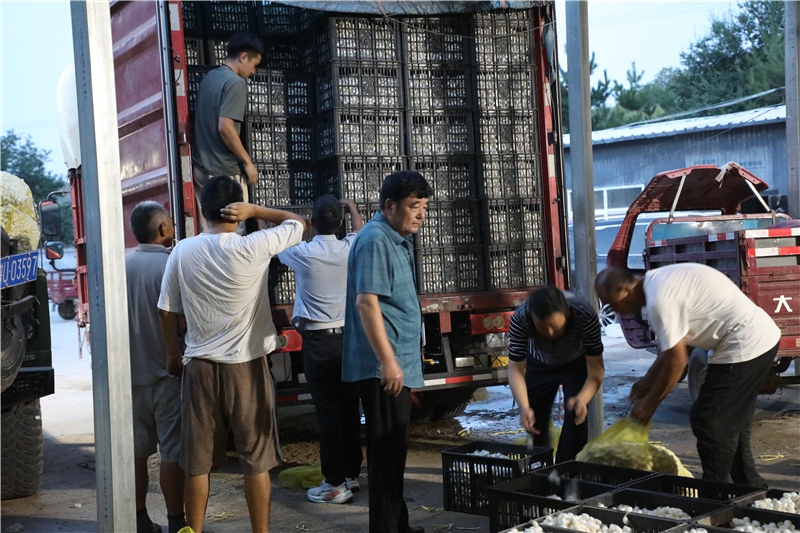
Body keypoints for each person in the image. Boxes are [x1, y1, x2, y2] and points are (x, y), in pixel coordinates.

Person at [157, 175, 309, 533]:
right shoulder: (254, 245)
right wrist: (255, 210)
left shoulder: (183, 251)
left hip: (199, 368)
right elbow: (299, 223)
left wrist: (172, 354)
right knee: (255, 461)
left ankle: (192, 530)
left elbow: (166, 310)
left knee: (197, 464)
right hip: (247, 368)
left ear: (202, 211)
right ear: (236, 212)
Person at [595, 264, 781, 487]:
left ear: (625, 290)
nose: (616, 311)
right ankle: (751, 488)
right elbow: (670, 351)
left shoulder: (659, 301)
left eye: (613, 303)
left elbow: (677, 361)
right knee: (731, 424)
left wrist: (649, 405)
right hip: (755, 336)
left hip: (746, 341)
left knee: (709, 420)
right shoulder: (657, 282)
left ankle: (714, 493)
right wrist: (646, 382)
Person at [342, 170, 431, 533]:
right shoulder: (376, 240)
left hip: (396, 364)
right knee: (385, 456)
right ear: (390, 206)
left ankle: (399, 526)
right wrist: (389, 360)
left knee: (395, 453)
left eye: (424, 207)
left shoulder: (395, 238)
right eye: (414, 206)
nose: (421, 214)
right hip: (382, 367)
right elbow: (366, 303)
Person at [277, 196, 364, 504]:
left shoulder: (302, 252)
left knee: (328, 414)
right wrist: (353, 208)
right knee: (350, 409)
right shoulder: (350, 247)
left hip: (318, 343)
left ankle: (334, 485)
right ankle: (351, 474)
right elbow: (359, 230)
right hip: (348, 341)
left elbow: (271, 240)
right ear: (340, 223)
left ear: (312, 223)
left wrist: (271, 218)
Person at [126, 201, 186, 533]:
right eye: (172, 223)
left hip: (130, 378)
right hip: (168, 376)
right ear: (163, 229)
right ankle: (177, 523)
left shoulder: (121, 266)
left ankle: (139, 520)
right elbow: (182, 322)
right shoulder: (171, 265)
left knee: (136, 454)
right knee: (172, 452)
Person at [507, 286, 605, 463]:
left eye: (554, 327)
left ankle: (567, 471)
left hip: (575, 362)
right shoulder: (521, 318)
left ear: (566, 311)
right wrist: (524, 407)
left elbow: (596, 368)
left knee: (576, 419)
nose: (550, 333)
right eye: (543, 328)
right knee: (535, 421)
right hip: (539, 363)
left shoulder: (585, 315)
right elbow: (515, 368)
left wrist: (582, 399)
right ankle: (541, 469)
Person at [192, 32, 263, 231]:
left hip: (201, 170)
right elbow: (225, 126)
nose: (253, 71)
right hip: (225, 173)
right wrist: (247, 162)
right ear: (243, 57)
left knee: (208, 232)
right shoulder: (235, 83)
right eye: (254, 64)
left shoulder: (209, 78)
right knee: (232, 235)